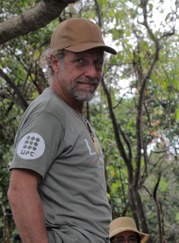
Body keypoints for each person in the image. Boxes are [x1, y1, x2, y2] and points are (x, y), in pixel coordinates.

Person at [7, 18, 117, 242]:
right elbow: (20, 191)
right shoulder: (50, 112)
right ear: (55, 63)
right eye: (80, 61)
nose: (93, 73)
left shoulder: (71, 113)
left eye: (97, 63)